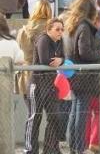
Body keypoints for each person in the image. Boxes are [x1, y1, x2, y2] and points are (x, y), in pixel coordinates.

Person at [63, 0, 100, 154]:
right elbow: (85, 52)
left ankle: (74, 147)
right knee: (80, 113)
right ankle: (79, 148)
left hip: (73, 74)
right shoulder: (84, 26)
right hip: (85, 76)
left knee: (75, 112)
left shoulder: (70, 24)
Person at [23, 17, 64, 154]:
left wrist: (61, 59)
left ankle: (50, 149)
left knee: (55, 116)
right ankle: (30, 149)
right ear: (49, 29)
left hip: (51, 85)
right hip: (37, 84)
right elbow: (45, 60)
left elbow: (63, 57)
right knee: (35, 117)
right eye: (57, 29)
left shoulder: (60, 41)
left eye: (62, 29)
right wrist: (59, 60)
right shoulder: (43, 39)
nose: (60, 32)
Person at [16, 0, 54, 97]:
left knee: (32, 111)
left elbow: (19, 51)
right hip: (48, 74)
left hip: (28, 73)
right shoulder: (52, 30)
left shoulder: (23, 31)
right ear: (49, 11)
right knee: (52, 111)